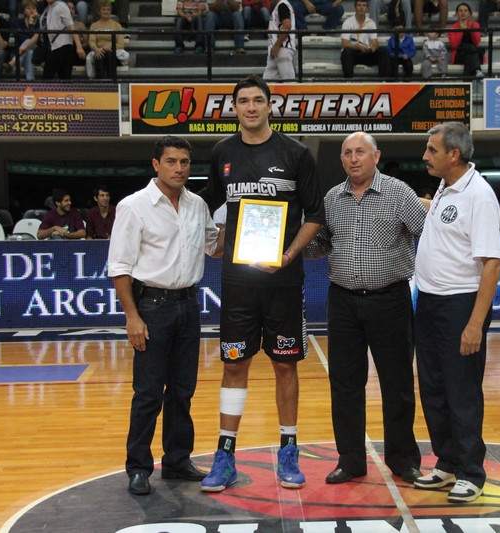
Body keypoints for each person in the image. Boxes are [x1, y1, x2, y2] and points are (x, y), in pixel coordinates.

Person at [197, 75, 325, 493]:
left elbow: (315, 215)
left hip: (284, 279)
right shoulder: (223, 152)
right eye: (243, 101)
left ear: (271, 106)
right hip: (238, 281)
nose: (250, 107)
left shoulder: (296, 153)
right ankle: (225, 455)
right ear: (234, 108)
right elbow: (206, 204)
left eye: (257, 100)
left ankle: (289, 451)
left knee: (285, 364)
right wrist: (209, 239)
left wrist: (288, 256)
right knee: (234, 363)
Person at [302, 132, 425, 486]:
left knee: (397, 384)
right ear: (341, 159)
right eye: (347, 153)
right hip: (343, 302)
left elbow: (429, 234)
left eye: (360, 152)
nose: (353, 158)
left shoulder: (399, 193)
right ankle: (351, 460)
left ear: (376, 156)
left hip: (390, 300)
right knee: (344, 385)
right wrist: (289, 241)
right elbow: (320, 245)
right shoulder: (331, 198)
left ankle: (403, 460)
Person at [107, 136, 224, 496]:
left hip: (189, 306)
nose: (179, 168)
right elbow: (120, 267)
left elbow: (214, 248)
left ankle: (176, 460)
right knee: (148, 393)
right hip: (152, 308)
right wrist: (132, 317)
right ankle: (138, 467)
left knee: (182, 391)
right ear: (156, 164)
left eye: (184, 162)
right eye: (171, 161)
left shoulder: (197, 205)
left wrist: (245, 222)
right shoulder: (134, 206)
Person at [412, 122, 500, 504]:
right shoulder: (446, 188)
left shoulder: (479, 196)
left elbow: (492, 264)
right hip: (429, 302)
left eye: (432, 150)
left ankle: (470, 472)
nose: (425, 156)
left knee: (461, 391)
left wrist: (475, 324)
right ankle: (447, 462)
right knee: (433, 388)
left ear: (454, 154)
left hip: (460, 305)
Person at [340, 0, 391, 79]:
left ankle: (385, 81)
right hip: (354, 53)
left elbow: (375, 43)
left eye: (364, 5)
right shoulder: (348, 22)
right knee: (346, 52)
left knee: (384, 51)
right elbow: (345, 44)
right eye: (359, 5)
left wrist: (371, 48)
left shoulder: (371, 23)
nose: (361, 7)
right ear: (355, 7)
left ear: (367, 8)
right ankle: (348, 81)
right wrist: (359, 47)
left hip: (367, 53)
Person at [40, 0, 86, 79]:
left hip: (62, 45)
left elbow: (71, 27)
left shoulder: (61, 6)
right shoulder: (47, 8)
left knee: (47, 78)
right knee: (64, 78)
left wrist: (79, 46)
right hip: (52, 46)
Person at [87, 0, 128, 79]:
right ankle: (100, 81)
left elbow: (121, 44)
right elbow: (92, 41)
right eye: (103, 9)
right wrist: (96, 49)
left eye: (108, 10)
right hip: (99, 50)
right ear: (99, 11)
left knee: (109, 55)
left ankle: (112, 81)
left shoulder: (117, 25)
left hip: (113, 52)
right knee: (99, 55)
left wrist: (111, 45)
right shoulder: (94, 25)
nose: (106, 12)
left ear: (111, 11)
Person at [448, 2, 484, 79]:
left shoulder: (475, 25)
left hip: (472, 54)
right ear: (457, 14)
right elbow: (454, 45)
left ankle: (466, 81)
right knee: (471, 48)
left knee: (469, 56)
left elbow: (477, 42)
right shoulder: (453, 27)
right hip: (459, 54)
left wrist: (472, 28)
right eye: (460, 11)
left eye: (465, 11)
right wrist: (461, 30)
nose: (463, 13)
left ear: (469, 13)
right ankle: (477, 70)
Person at [263, 0, 296, 80]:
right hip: (275, 50)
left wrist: (277, 45)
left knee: (288, 82)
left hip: (282, 48)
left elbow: (287, 25)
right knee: (267, 82)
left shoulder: (282, 5)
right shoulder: (279, 6)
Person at [9, 0, 40, 80]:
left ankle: (13, 62)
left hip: (37, 51)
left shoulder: (39, 23)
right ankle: (30, 80)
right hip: (22, 50)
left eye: (33, 8)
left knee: (28, 42)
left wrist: (31, 24)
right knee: (29, 52)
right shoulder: (18, 23)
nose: (31, 10)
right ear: (24, 11)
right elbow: (21, 38)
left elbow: (35, 40)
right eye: (28, 8)